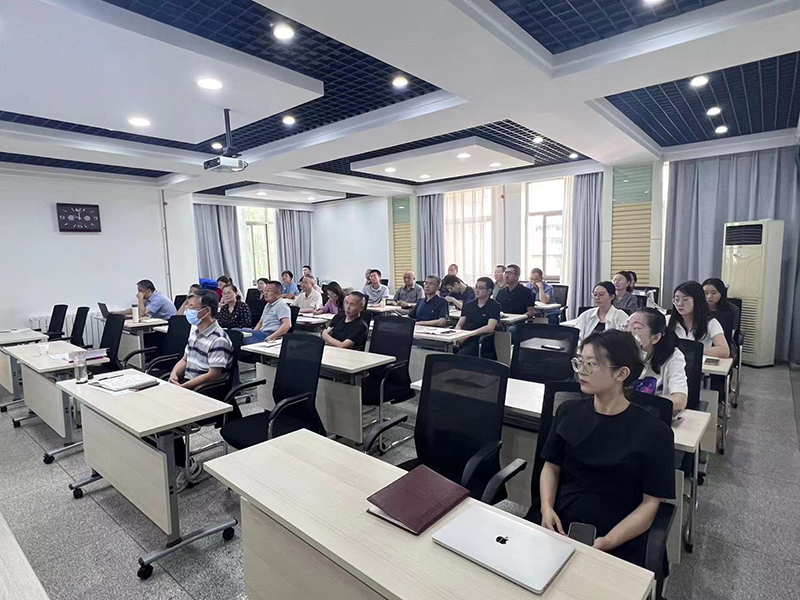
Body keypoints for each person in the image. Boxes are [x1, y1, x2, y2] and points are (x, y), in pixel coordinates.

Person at [540, 329, 675, 566]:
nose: (582, 371)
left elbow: (651, 503)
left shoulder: (655, 432)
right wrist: (546, 508)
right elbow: (551, 467)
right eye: (580, 362)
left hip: (619, 530)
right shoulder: (568, 412)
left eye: (591, 364)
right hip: (560, 518)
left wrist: (608, 542)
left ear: (621, 373)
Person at [167, 290, 233, 491]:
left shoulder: (219, 339)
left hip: (207, 392)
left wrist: (184, 388)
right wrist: (174, 374)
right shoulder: (195, 332)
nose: (188, 311)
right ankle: (170, 459)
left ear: (206, 311)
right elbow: (185, 359)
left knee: (166, 419)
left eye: (192, 307)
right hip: (189, 386)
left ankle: (186, 465)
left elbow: (213, 374)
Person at [626, 308, 688, 412]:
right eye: (626, 326)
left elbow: (680, 400)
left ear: (655, 338)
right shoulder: (619, 352)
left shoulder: (673, 356)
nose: (628, 332)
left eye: (636, 328)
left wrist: (639, 400)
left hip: (652, 414)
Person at [668, 281, 729, 358]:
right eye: (677, 299)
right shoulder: (668, 320)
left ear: (697, 301)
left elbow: (724, 351)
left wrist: (695, 349)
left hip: (697, 364)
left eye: (685, 299)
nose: (680, 304)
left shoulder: (710, 323)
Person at [564, 281, 628, 341]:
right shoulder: (587, 315)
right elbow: (578, 336)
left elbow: (625, 340)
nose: (597, 298)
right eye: (595, 295)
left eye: (601, 294)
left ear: (612, 297)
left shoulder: (621, 316)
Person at [453, 277, 500, 359]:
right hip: (463, 337)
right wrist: (457, 336)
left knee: (461, 355)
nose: (477, 290)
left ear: (489, 291)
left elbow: (490, 327)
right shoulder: (468, 304)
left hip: (478, 339)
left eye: (481, 288)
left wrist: (469, 335)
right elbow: (459, 324)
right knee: (444, 352)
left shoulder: (494, 305)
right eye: (476, 287)